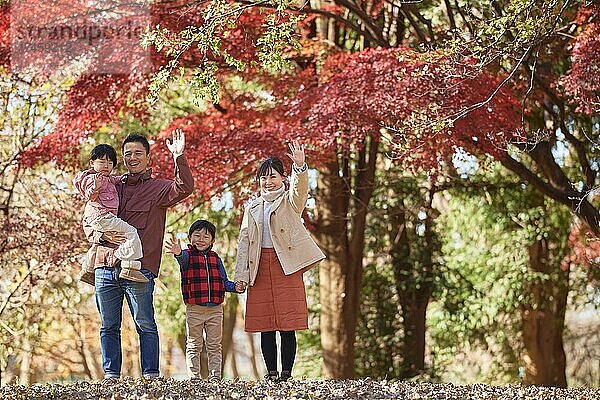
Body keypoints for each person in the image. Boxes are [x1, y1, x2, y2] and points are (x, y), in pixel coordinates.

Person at [83, 130, 194, 381]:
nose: (132, 157)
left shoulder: (159, 189)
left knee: (145, 323)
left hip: (139, 269)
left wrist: (179, 156)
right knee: (108, 326)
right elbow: (89, 217)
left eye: (137, 153)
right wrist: (101, 238)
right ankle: (111, 376)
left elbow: (185, 186)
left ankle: (151, 375)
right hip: (105, 266)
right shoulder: (109, 185)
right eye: (127, 154)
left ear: (147, 158)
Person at [234, 141, 326, 382]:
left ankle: (286, 373)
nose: (268, 182)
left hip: (286, 265)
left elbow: (300, 190)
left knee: (287, 324)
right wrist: (241, 277)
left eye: (273, 176)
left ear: (283, 178)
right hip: (259, 268)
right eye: (263, 178)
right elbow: (244, 243)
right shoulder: (252, 208)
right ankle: (271, 373)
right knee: (265, 324)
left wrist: (300, 166)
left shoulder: (289, 201)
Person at [165, 219, 240, 380]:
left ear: (212, 240)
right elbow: (181, 258)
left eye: (206, 237)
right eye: (197, 235)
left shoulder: (215, 258)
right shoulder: (187, 255)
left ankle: (215, 377)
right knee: (194, 345)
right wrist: (178, 252)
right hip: (195, 309)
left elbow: (224, 282)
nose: (201, 239)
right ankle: (194, 377)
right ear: (190, 238)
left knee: (214, 346)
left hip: (215, 309)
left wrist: (236, 287)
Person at [73, 144, 146, 285]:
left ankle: (87, 270)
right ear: (92, 163)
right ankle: (129, 266)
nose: (106, 165)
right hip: (102, 216)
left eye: (110, 162)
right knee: (131, 233)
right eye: (102, 161)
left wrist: (126, 177)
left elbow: (115, 180)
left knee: (97, 245)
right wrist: (95, 187)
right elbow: (90, 195)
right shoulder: (93, 178)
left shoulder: (108, 178)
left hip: (100, 218)